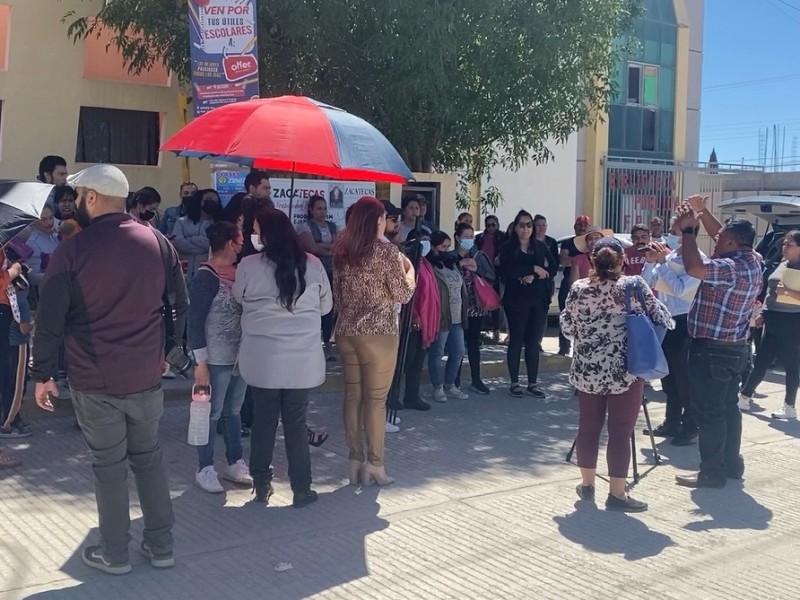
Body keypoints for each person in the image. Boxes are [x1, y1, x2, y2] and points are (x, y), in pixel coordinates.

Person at [32, 164, 187, 574]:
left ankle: (115, 553)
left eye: (79, 196)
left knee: (109, 466)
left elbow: (49, 318)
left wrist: (43, 374)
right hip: (146, 376)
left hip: (94, 378)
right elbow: (178, 305)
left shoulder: (73, 249)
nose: (75, 203)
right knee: (149, 459)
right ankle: (161, 546)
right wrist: (167, 350)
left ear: (93, 198)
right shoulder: (157, 241)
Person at [561, 237, 672, 512]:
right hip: (626, 372)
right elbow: (664, 319)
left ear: (592, 260)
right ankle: (617, 494)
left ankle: (587, 486)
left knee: (588, 427)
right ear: (622, 260)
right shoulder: (633, 286)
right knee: (620, 433)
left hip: (588, 370)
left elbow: (566, 326)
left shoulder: (578, 288)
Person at [234, 208, 332, 507]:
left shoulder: (248, 265)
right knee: (295, 423)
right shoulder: (313, 264)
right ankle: (302, 489)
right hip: (302, 361)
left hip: (263, 359)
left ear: (265, 234)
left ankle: (262, 485)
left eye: (255, 229)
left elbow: (238, 297)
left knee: (264, 422)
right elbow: (326, 307)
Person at [672, 195, 763, 489]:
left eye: (721, 237)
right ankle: (730, 464)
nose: (715, 238)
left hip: (711, 350)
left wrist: (688, 231)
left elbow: (695, 268)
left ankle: (711, 472)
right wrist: (702, 212)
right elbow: (723, 236)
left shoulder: (729, 269)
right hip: (735, 348)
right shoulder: (753, 261)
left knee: (709, 413)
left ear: (733, 243)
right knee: (727, 409)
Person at [333, 196, 415, 486]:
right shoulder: (386, 251)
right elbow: (403, 295)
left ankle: (354, 458)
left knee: (353, 397)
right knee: (376, 401)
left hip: (346, 330)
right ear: (378, 220)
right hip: (378, 331)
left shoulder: (343, 249)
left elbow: (338, 295)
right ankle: (375, 465)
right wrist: (410, 272)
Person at [188, 221, 252, 493]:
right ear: (229, 243)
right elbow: (194, 321)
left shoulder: (240, 273)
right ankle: (204, 466)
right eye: (239, 242)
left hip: (240, 357)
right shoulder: (206, 276)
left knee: (233, 410)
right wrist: (199, 362)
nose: (242, 247)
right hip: (215, 358)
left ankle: (235, 461)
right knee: (211, 413)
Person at [642, 225, 704, 446]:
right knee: (669, 377)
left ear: (688, 236)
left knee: (685, 378)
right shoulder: (667, 259)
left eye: (675, 232)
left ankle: (690, 426)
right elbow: (648, 284)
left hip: (686, 321)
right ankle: (672, 421)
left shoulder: (698, 260)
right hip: (665, 320)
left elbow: (681, 290)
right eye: (671, 231)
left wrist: (662, 263)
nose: (670, 236)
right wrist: (651, 261)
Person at [738, 230, 800, 419]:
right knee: (761, 361)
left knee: (791, 365)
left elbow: (786, 292)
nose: (784, 247)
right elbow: (770, 291)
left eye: (789, 244)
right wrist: (763, 313)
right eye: (784, 244)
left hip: (792, 322)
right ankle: (744, 396)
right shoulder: (782, 264)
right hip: (772, 318)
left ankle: (789, 405)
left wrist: (788, 292)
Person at [498, 211, 557, 398]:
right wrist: (531, 269)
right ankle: (514, 383)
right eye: (522, 225)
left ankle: (533, 383)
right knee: (516, 340)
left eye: (529, 225)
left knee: (533, 342)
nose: (526, 229)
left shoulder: (540, 246)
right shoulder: (508, 247)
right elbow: (506, 270)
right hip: (516, 300)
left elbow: (553, 268)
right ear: (515, 227)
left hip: (538, 299)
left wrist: (538, 273)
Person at [452, 222, 496, 395]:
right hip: (457, 308)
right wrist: (459, 265)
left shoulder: (478, 256)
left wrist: (477, 270)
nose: (469, 239)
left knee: (474, 344)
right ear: (457, 237)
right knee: (457, 346)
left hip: (476, 307)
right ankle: (453, 379)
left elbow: (492, 277)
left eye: (471, 236)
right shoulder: (451, 257)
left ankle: (476, 379)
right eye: (466, 236)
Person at [426, 230, 469, 402]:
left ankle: (450, 385)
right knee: (437, 352)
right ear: (434, 247)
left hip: (457, 316)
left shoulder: (451, 264)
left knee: (458, 351)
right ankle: (437, 387)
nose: (446, 250)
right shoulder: (430, 266)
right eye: (443, 246)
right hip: (441, 316)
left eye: (448, 246)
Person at [297, 195, 338, 358]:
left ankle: (327, 343)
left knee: (329, 308)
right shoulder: (304, 226)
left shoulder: (332, 226)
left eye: (325, 208)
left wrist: (322, 246)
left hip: (331, 270)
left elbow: (338, 248)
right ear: (311, 210)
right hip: (313, 271)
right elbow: (312, 248)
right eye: (319, 209)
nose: (323, 212)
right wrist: (327, 247)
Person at [557, 215, 592, 355]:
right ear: (575, 227)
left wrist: (575, 260)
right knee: (565, 313)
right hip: (569, 282)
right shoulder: (568, 243)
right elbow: (563, 260)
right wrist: (579, 260)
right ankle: (564, 347)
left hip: (590, 284)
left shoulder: (592, 242)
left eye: (585, 226)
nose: (582, 228)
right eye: (579, 225)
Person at [0, 289, 32, 439]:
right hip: (17, 344)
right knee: (16, 386)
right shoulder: (20, 299)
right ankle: (9, 423)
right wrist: (35, 321)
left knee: (6, 383)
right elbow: (24, 328)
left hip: (5, 343)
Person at [475, 215, 508, 342]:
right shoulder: (479, 238)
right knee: (482, 301)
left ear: (498, 224)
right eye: (488, 225)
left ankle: (496, 330)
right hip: (482, 273)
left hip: (496, 273)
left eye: (493, 225)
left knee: (496, 302)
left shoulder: (503, 237)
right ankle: (481, 330)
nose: (491, 227)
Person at [172, 190, 213, 285]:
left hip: (205, 271)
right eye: (208, 199)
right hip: (184, 270)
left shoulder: (215, 223)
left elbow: (211, 244)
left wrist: (190, 238)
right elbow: (178, 242)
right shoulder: (181, 221)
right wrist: (201, 245)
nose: (211, 202)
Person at [24, 206, 59, 287]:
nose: (49, 222)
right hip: (49, 290)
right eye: (44, 219)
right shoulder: (32, 243)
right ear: (34, 221)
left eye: (51, 218)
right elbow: (33, 277)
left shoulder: (56, 236)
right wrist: (58, 276)